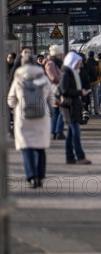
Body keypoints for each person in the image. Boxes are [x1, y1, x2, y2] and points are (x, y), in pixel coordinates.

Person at [7, 54, 53, 188]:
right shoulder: (43, 78)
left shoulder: (18, 79)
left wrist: (17, 106)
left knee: (26, 147)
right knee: (40, 147)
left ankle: (31, 176)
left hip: (23, 117)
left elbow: (10, 100)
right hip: (41, 117)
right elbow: (52, 98)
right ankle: (40, 176)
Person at [59, 51, 92, 165]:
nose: (80, 65)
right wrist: (80, 92)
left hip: (73, 106)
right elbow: (64, 90)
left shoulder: (71, 72)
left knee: (71, 134)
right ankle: (80, 157)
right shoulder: (66, 73)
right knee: (76, 133)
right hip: (69, 107)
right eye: (78, 63)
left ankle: (69, 157)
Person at [45, 45, 65, 140]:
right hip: (55, 90)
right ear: (56, 54)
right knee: (62, 111)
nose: (61, 55)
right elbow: (53, 78)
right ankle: (58, 131)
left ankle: (54, 132)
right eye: (60, 54)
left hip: (57, 89)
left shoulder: (56, 63)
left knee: (56, 112)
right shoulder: (51, 63)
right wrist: (64, 77)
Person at [85, 51, 101, 115]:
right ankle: (96, 110)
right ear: (93, 55)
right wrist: (99, 79)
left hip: (88, 83)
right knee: (96, 97)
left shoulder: (85, 63)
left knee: (89, 97)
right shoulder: (97, 62)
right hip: (95, 82)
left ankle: (90, 110)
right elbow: (100, 72)